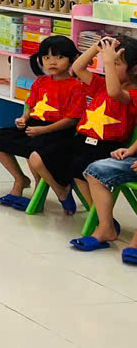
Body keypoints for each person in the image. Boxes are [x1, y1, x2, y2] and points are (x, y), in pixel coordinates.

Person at [31, 35, 137, 223]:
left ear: (135, 69)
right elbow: (78, 67)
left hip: (106, 145)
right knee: (38, 157)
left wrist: (108, 60)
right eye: (109, 62)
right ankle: (64, 192)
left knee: (79, 168)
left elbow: (114, 91)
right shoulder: (101, 85)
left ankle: (100, 219)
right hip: (82, 139)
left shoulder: (131, 93)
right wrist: (98, 46)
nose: (108, 66)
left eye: (116, 63)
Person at [0, 35, 83, 209]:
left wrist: (44, 130)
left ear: (72, 59)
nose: (52, 62)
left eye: (59, 57)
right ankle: (20, 179)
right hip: (34, 127)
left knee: (35, 152)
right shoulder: (41, 82)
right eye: (47, 57)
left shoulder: (76, 86)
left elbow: (72, 120)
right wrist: (24, 118)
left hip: (58, 132)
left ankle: (58, 189)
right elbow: (31, 107)